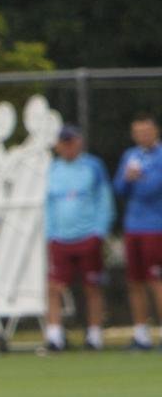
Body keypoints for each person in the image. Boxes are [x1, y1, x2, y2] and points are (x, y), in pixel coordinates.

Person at [43, 124, 114, 352]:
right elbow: (49, 205)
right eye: (63, 143)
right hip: (60, 239)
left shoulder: (93, 167)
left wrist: (99, 232)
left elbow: (105, 201)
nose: (67, 147)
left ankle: (94, 335)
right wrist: (49, 234)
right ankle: (54, 336)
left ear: (79, 143)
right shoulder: (52, 169)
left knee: (92, 287)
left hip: (87, 237)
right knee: (54, 287)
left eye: (71, 142)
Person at [112, 112, 162, 350]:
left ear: (155, 131)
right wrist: (128, 178)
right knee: (135, 281)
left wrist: (137, 179)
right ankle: (141, 334)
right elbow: (119, 187)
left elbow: (153, 188)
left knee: (157, 280)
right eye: (138, 132)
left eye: (147, 131)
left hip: (156, 227)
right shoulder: (130, 156)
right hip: (133, 227)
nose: (142, 136)